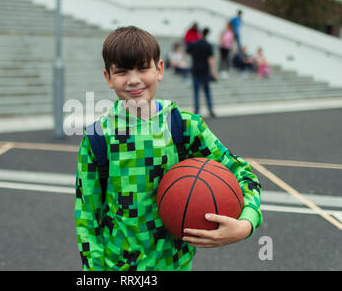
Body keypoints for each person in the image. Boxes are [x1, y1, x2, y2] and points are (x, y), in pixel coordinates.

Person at [75, 26, 262, 271]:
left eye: (143, 68)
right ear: (108, 78)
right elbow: (86, 215)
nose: (134, 79)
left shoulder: (183, 126)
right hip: (116, 268)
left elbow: (243, 175)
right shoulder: (98, 137)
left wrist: (245, 224)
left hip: (175, 265)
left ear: (160, 69)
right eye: (121, 71)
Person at [186, 27, 218, 117]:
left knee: (196, 91)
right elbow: (211, 59)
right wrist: (214, 71)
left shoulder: (194, 44)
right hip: (205, 71)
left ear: (200, 34)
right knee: (207, 91)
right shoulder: (208, 45)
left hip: (195, 70)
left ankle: (196, 110)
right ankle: (210, 110)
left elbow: (186, 52)